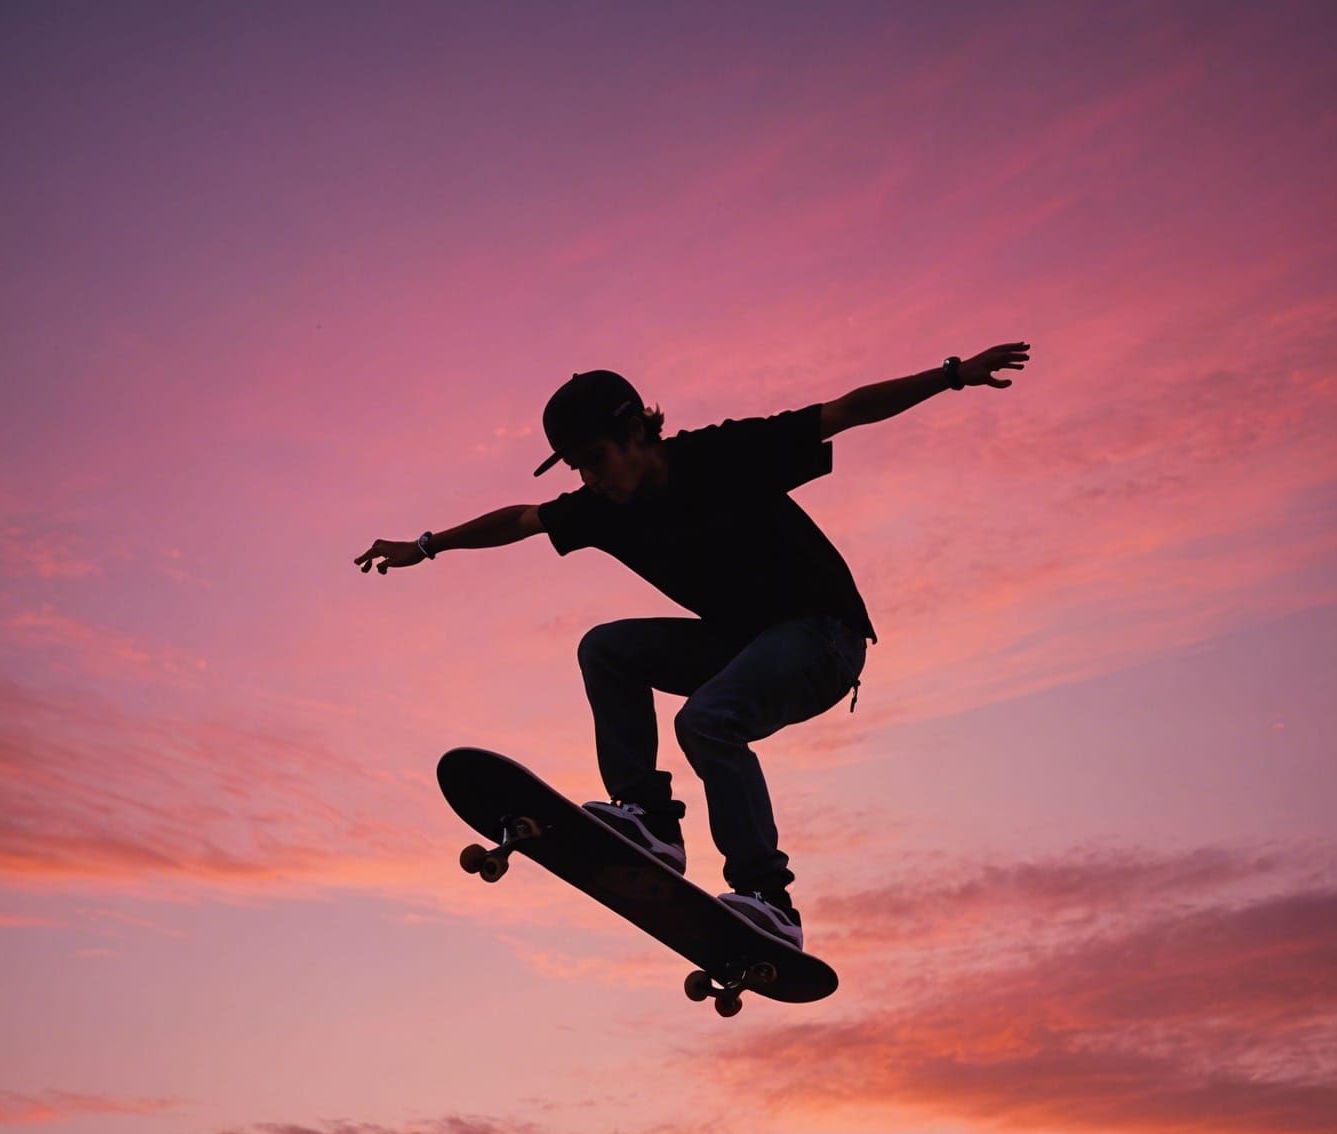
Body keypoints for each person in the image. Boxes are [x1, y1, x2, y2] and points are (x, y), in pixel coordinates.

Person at [356, 344, 1030, 949]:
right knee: (605, 648)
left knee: (705, 720)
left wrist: (951, 376)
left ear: (635, 433)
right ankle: (650, 820)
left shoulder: (723, 455)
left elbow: (846, 411)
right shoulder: (601, 508)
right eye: (579, 469)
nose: (591, 481)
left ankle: (769, 898)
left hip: (824, 638)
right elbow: (521, 520)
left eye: (596, 461)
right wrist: (428, 545)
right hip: (741, 646)